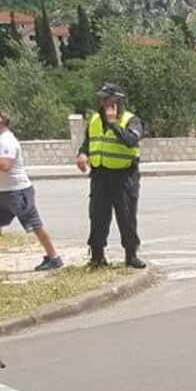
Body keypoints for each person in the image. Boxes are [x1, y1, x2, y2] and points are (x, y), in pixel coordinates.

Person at [76, 83, 146, 269]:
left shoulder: (131, 120)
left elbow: (131, 140)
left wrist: (114, 123)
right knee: (97, 216)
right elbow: (88, 142)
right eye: (102, 98)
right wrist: (82, 154)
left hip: (124, 175)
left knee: (126, 216)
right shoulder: (94, 119)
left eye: (108, 98)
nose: (103, 102)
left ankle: (131, 255)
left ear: (118, 100)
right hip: (100, 175)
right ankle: (97, 256)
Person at [0, 109, 62, 271]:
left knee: (35, 225)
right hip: (3, 191)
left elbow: (5, 165)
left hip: (17, 192)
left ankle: (54, 258)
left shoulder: (6, 141)